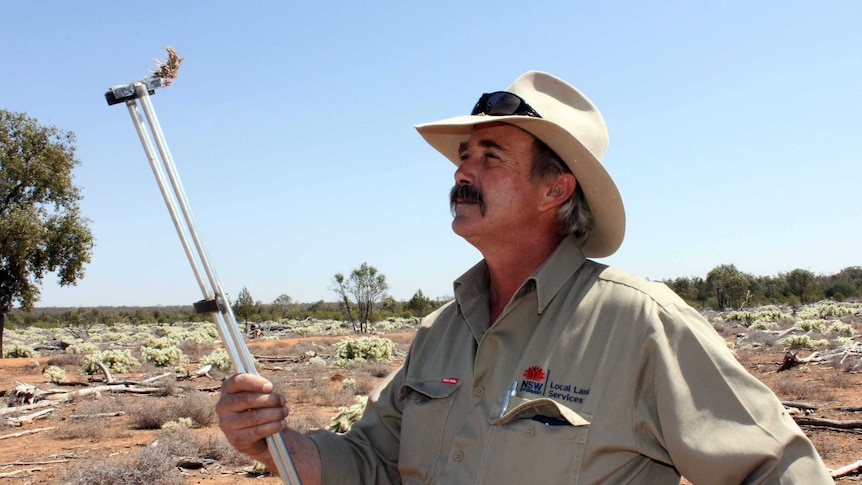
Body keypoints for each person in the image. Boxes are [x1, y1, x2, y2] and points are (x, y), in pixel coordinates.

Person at [216, 71, 833, 484]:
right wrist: (275, 443)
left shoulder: (639, 323)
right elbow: (372, 460)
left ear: (555, 189)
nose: (464, 173)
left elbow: (778, 467)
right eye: (464, 156)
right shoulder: (443, 330)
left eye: (491, 158)